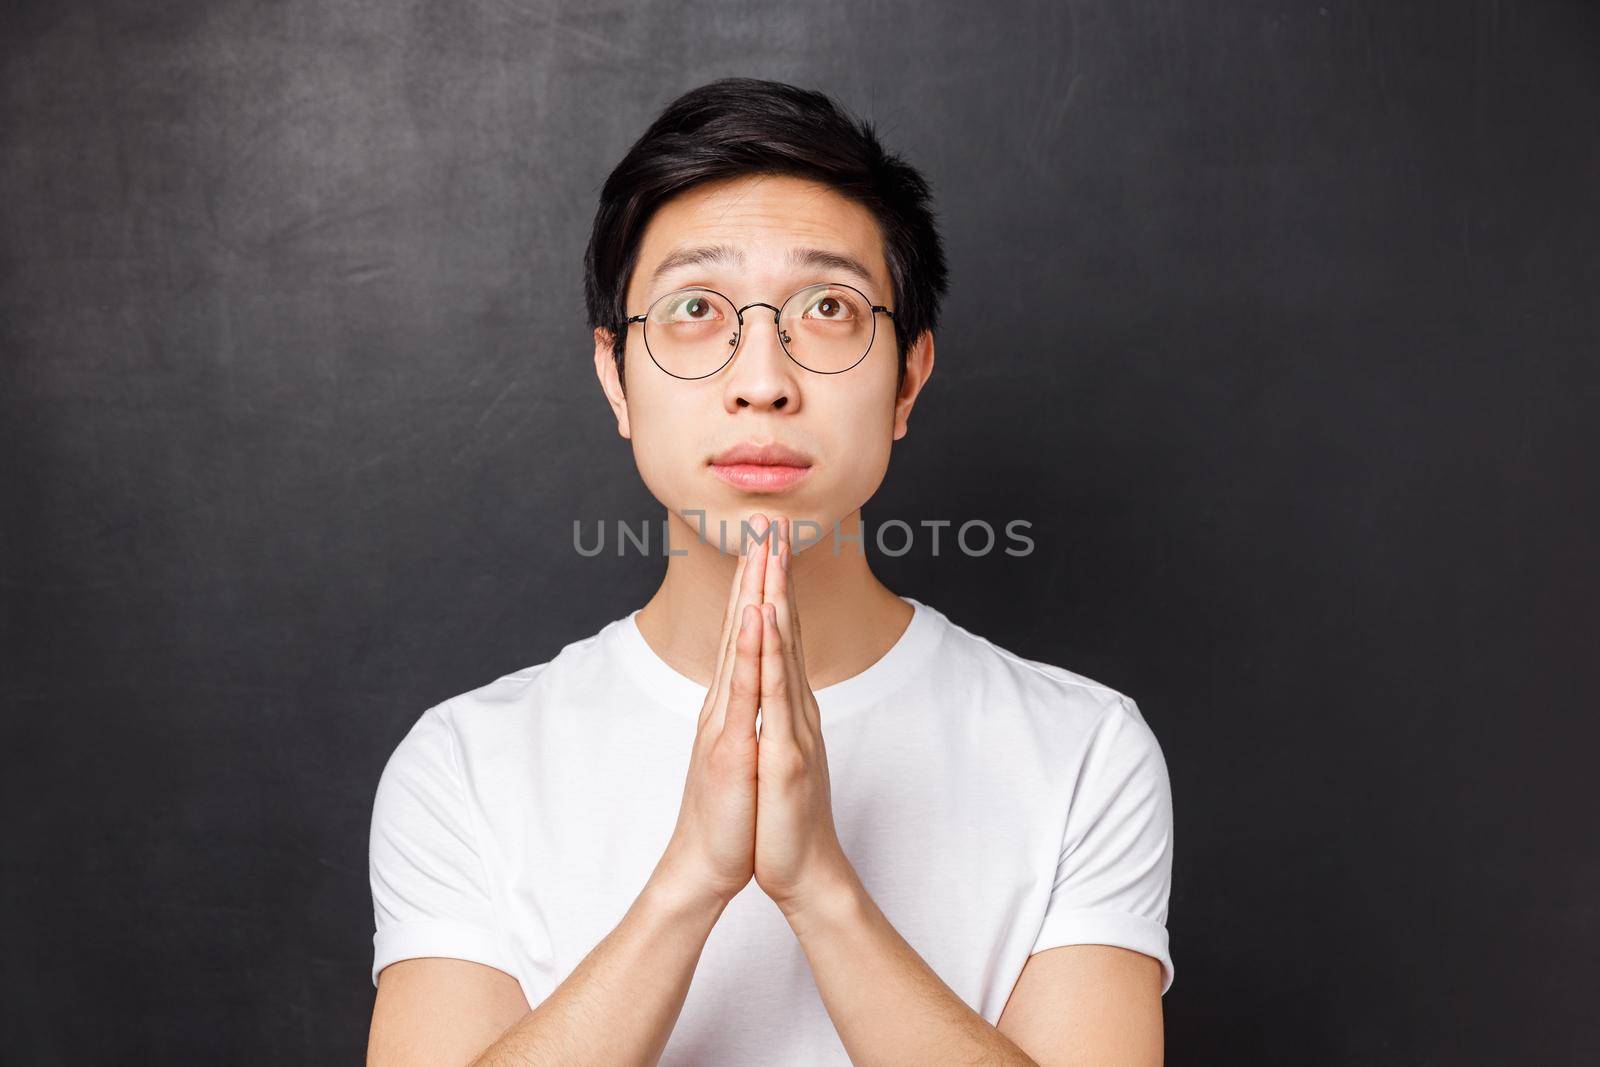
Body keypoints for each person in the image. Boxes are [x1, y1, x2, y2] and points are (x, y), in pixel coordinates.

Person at [366, 77, 1174, 1067]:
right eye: (696, 308)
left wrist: (818, 885)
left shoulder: (1081, 749)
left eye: (826, 306)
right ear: (616, 376)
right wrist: (691, 880)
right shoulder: (465, 764)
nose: (762, 380)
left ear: (907, 376)